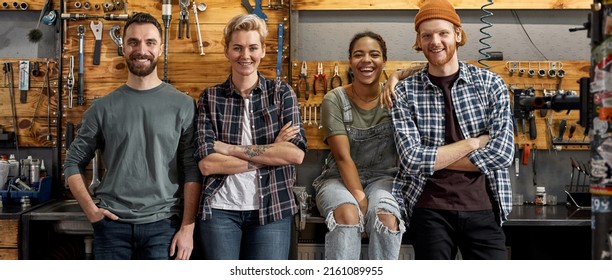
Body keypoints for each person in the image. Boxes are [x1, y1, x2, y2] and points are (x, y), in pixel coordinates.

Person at [64, 12, 202, 260]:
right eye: (133, 42)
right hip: (111, 227)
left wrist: (187, 227)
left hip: (164, 228)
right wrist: (92, 211)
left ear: (161, 48)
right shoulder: (102, 108)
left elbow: (192, 169)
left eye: (150, 42)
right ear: (123, 48)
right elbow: (72, 163)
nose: (142, 50)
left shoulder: (183, 105)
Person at [383, 0, 514, 260]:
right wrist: (473, 143)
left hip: (483, 206)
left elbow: (502, 154)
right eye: (427, 35)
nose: (435, 41)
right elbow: (411, 160)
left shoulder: (490, 84)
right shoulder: (405, 93)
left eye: (443, 33)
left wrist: (434, 158)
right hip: (429, 209)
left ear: (457, 33)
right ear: (419, 41)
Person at [194, 14, 307, 260]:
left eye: (252, 47)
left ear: (263, 50)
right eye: (237, 48)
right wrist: (272, 151)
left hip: (273, 207)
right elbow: (208, 164)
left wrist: (230, 149)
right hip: (220, 210)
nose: (245, 55)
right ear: (226, 51)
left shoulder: (281, 93)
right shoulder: (210, 98)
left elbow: (295, 154)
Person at [312, 31, 405, 260]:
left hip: (384, 178)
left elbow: (431, 69)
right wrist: (362, 203)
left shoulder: (396, 96)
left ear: (384, 61)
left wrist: (397, 75)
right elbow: (343, 158)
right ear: (350, 61)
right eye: (358, 55)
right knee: (347, 215)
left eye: (374, 55)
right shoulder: (334, 99)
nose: (366, 60)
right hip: (338, 178)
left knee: (386, 218)